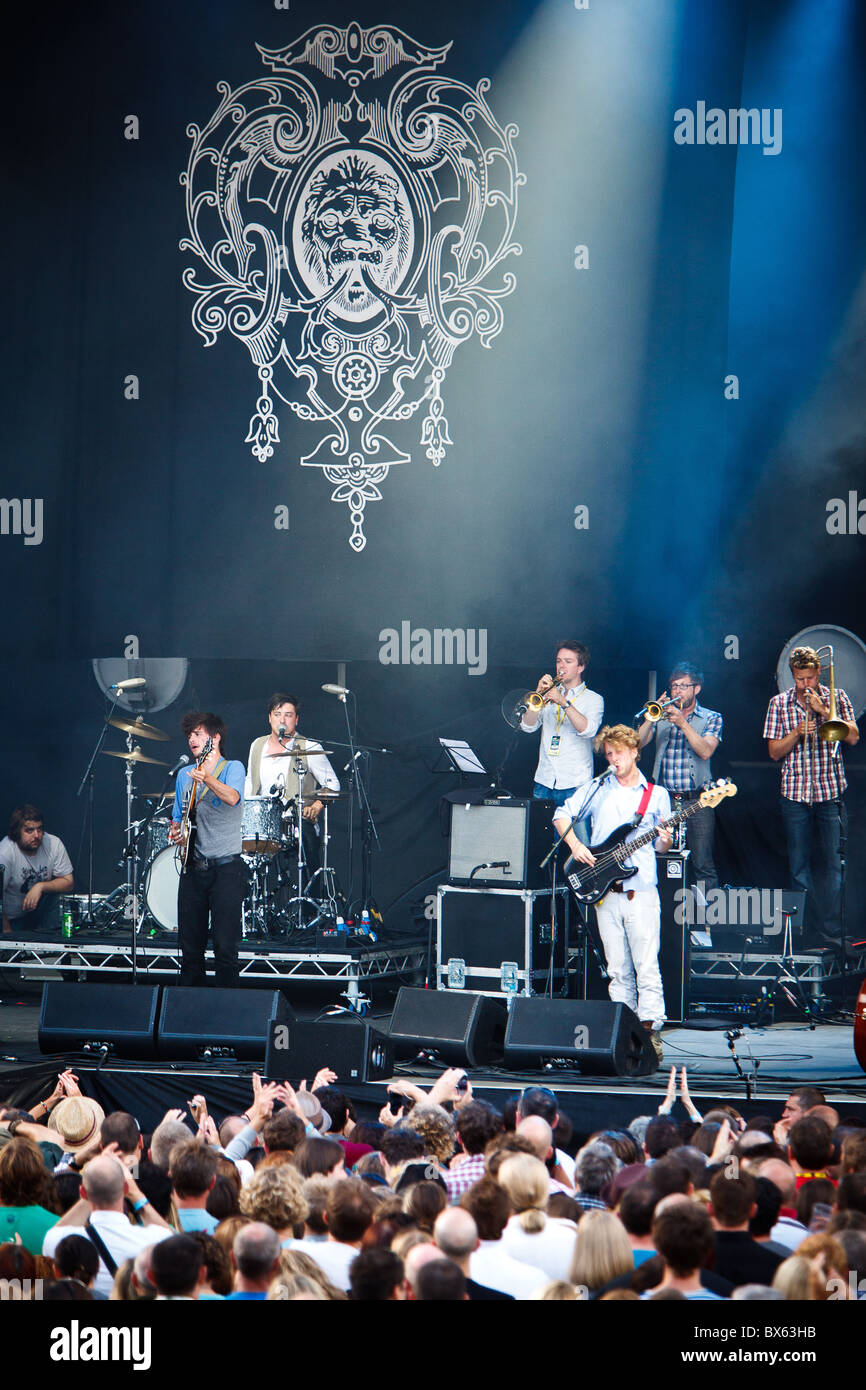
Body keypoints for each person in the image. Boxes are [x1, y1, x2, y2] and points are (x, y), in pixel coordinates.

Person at [555, 724, 672, 1062]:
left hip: (641, 891)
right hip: (605, 892)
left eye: (618, 752)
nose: (613, 758)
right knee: (617, 968)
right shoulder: (597, 788)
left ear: (635, 751)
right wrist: (576, 845)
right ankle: (626, 1032)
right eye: (608, 753)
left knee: (646, 964)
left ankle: (651, 1034)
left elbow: (664, 846)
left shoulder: (656, 794)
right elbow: (562, 814)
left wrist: (664, 837)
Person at [763, 645, 859, 947]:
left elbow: (853, 737)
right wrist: (795, 733)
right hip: (794, 795)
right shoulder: (779, 703)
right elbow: (774, 752)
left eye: (810, 678)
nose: (805, 685)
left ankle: (830, 928)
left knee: (834, 863)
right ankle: (804, 931)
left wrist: (821, 711)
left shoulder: (837, 697)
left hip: (830, 792)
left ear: (819, 674)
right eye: (799, 678)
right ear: (792, 675)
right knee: (799, 865)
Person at [170, 712, 245, 988]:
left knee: (225, 948)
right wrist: (176, 832)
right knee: (190, 949)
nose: (191, 739)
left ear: (215, 738)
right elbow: (177, 820)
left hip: (226, 868)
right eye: (189, 735)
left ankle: (226, 1013)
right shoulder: (183, 776)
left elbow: (233, 797)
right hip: (193, 867)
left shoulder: (233, 767)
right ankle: (190, 1014)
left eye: (198, 734)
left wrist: (207, 779)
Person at [637, 662, 722, 891]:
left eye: (683, 686)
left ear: (697, 689)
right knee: (661, 858)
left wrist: (683, 723)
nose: (677, 692)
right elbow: (637, 744)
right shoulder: (662, 715)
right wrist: (651, 718)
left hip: (697, 800)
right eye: (674, 686)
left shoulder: (711, 717)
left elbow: (705, 750)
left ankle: (707, 922)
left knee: (702, 863)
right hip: (664, 799)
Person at [245, 693, 339, 879]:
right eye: (277, 714)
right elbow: (250, 782)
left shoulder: (310, 747)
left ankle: (308, 903)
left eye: (288, 715)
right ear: (269, 717)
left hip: (297, 825)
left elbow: (333, 784)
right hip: (264, 825)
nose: (282, 719)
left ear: (296, 719)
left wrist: (317, 806)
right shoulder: (257, 745)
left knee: (305, 864)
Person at [520, 641, 604, 824]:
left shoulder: (594, 699)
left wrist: (563, 702)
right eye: (559, 661)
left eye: (568, 661)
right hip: (544, 779)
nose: (561, 666)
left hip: (575, 783)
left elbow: (588, 730)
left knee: (577, 844)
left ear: (581, 667)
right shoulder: (548, 694)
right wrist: (537, 695)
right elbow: (527, 726)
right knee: (538, 843)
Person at [1, 805, 73, 935]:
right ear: (17, 832)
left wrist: (40, 886)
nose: (36, 835)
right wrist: (8, 935)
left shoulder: (53, 843)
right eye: (29, 830)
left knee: (61, 898)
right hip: (10, 919)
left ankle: (56, 946)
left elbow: (69, 882)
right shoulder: (5, 853)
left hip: (39, 914)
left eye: (39, 829)